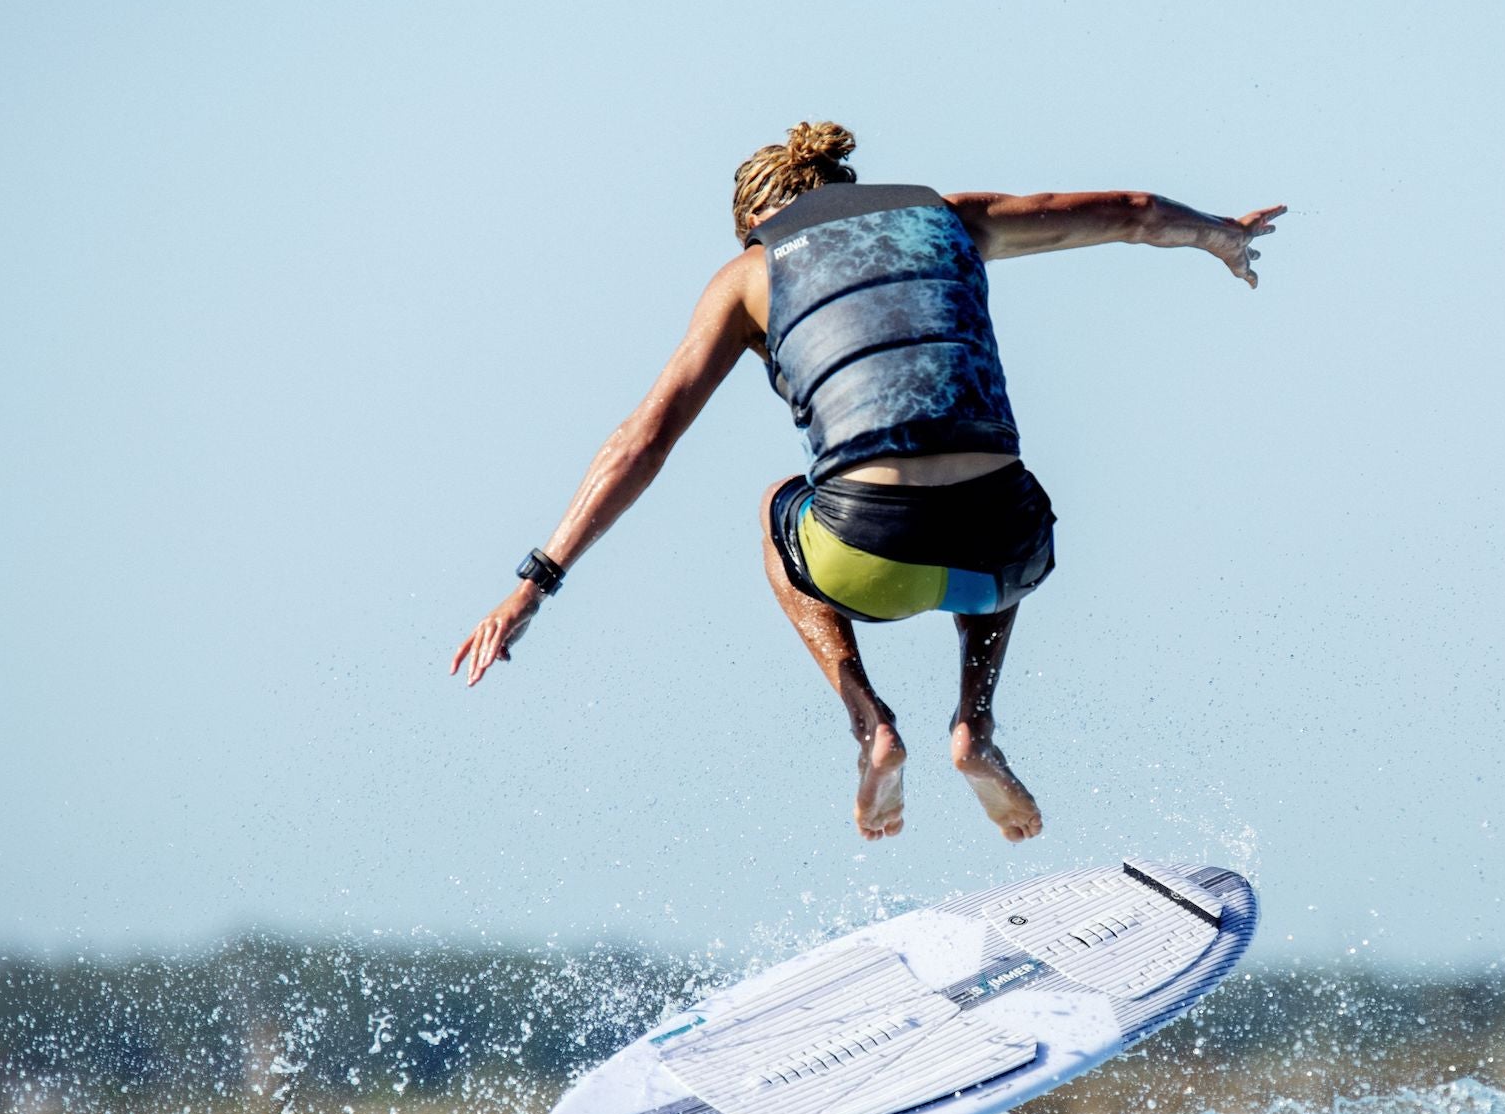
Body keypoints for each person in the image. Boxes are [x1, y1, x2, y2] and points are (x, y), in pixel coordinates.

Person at [451, 121, 1281, 842]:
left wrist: (535, 583)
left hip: (867, 554)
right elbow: (1134, 212)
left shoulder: (750, 275)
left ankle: (869, 722)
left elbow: (646, 435)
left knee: (783, 507)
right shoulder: (951, 217)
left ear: (754, 224)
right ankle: (976, 728)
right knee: (1011, 491)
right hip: (1005, 550)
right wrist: (1220, 235)